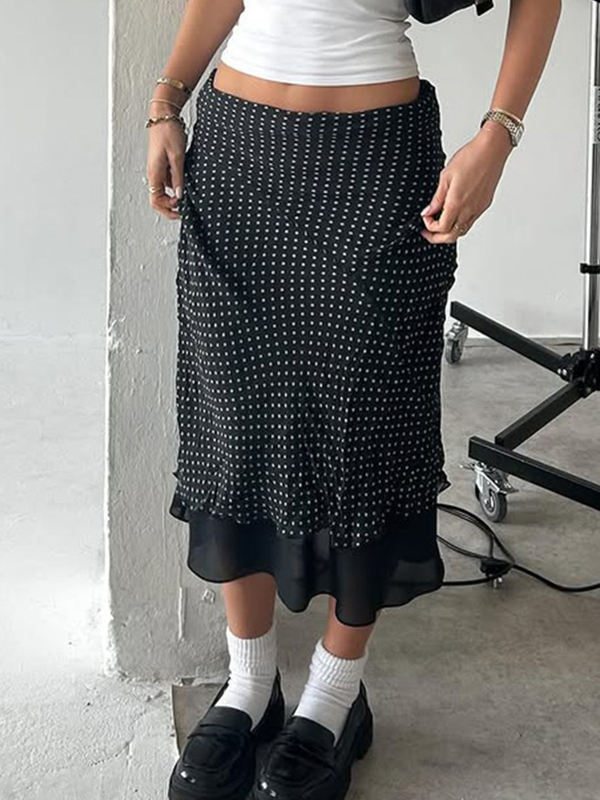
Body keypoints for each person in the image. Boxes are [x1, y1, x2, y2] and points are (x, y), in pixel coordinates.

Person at [145, 1, 562, 798]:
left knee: (366, 431)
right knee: (235, 424)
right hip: (235, 153)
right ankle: (250, 684)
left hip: (375, 160)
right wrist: (168, 99)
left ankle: (337, 692)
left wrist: (499, 135)